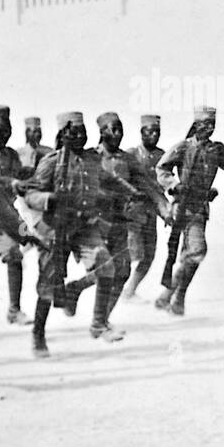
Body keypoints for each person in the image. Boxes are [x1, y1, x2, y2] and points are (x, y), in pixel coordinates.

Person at [20, 112, 144, 356]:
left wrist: (132, 193)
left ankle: (99, 324)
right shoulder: (52, 162)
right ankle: (38, 334)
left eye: (82, 131)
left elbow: (110, 180)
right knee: (48, 285)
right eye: (73, 132)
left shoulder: (92, 160)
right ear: (62, 135)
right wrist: (49, 199)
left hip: (84, 226)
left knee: (105, 264)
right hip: (56, 228)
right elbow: (30, 194)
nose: (79, 136)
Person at [154, 105, 224, 315]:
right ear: (196, 125)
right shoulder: (183, 147)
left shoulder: (217, 149)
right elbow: (162, 168)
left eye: (212, 125)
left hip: (200, 209)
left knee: (192, 253)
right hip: (182, 208)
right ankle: (175, 295)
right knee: (196, 251)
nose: (209, 128)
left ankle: (172, 295)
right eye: (205, 124)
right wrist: (174, 185)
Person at [93, 111, 169, 336]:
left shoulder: (128, 160)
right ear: (101, 132)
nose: (117, 134)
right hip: (94, 223)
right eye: (112, 129)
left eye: (119, 129)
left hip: (120, 222)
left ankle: (101, 320)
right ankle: (75, 296)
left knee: (122, 271)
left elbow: (149, 186)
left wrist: (164, 208)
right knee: (104, 269)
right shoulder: (91, 158)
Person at [0, 105, 32, 324]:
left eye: (7, 129)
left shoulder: (11, 155)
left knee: (14, 255)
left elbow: (21, 177)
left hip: (4, 218)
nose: (4, 134)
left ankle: (14, 309)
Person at [121, 114, 166, 300]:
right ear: (141, 133)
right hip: (132, 212)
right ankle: (115, 290)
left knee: (149, 255)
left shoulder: (162, 156)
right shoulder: (131, 154)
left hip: (152, 212)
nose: (154, 135)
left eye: (157, 132)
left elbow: (166, 180)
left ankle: (129, 290)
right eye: (149, 131)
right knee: (132, 254)